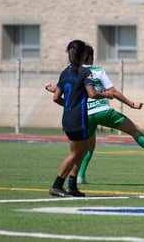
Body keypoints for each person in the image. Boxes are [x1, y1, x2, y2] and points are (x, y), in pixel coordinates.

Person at [46, 45, 144, 185]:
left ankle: (79, 177)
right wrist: (131, 104)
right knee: (135, 129)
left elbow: (65, 91)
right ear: (90, 57)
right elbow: (113, 91)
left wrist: (52, 88)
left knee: (87, 147)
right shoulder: (97, 71)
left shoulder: (70, 72)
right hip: (102, 111)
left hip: (84, 115)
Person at [49, 40, 113, 198]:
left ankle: (72, 187)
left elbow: (56, 98)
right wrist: (106, 94)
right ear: (84, 55)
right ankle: (57, 185)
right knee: (75, 154)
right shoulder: (85, 73)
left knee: (81, 151)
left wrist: (70, 106)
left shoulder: (65, 72)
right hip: (79, 118)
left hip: (68, 117)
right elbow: (92, 94)